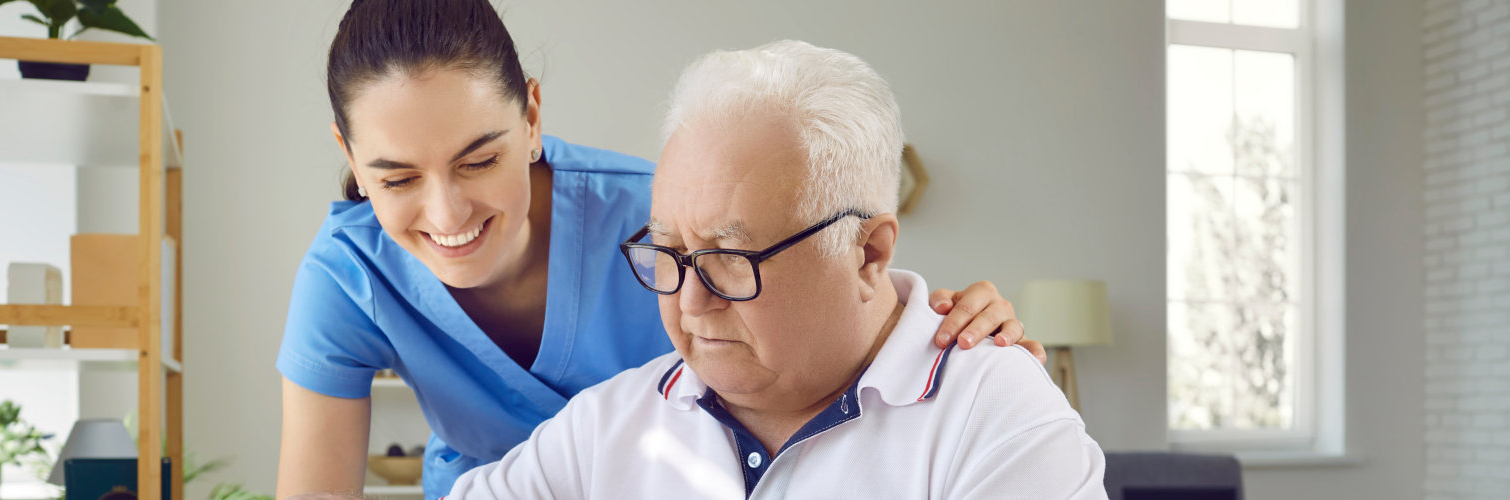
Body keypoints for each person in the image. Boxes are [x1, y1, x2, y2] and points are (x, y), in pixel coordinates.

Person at [275, 1, 1045, 497]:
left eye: (479, 159)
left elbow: (826, 290)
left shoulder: (663, 218)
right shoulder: (350, 275)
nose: (446, 212)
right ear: (347, 152)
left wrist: (942, 333)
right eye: (397, 176)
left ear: (533, 116)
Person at [445, 40, 1106, 500]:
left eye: (731, 260)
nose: (691, 304)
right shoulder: (607, 425)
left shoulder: (996, 415)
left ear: (868, 252)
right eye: (671, 254)